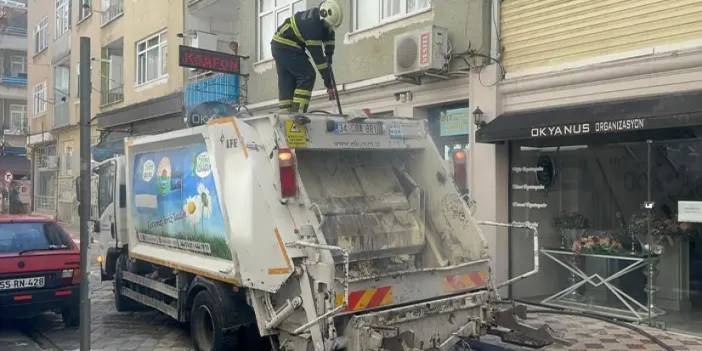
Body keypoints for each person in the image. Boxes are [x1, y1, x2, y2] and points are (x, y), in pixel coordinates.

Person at [271, 0, 342, 113]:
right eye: (328, 25)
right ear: (323, 15)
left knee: (288, 80)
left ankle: (285, 114)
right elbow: (319, 61)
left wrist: (329, 57)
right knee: (307, 75)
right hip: (287, 46)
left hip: (278, 46)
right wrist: (328, 84)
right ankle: (298, 113)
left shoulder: (322, 21)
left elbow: (329, 38)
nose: (329, 27)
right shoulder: (312, 27)